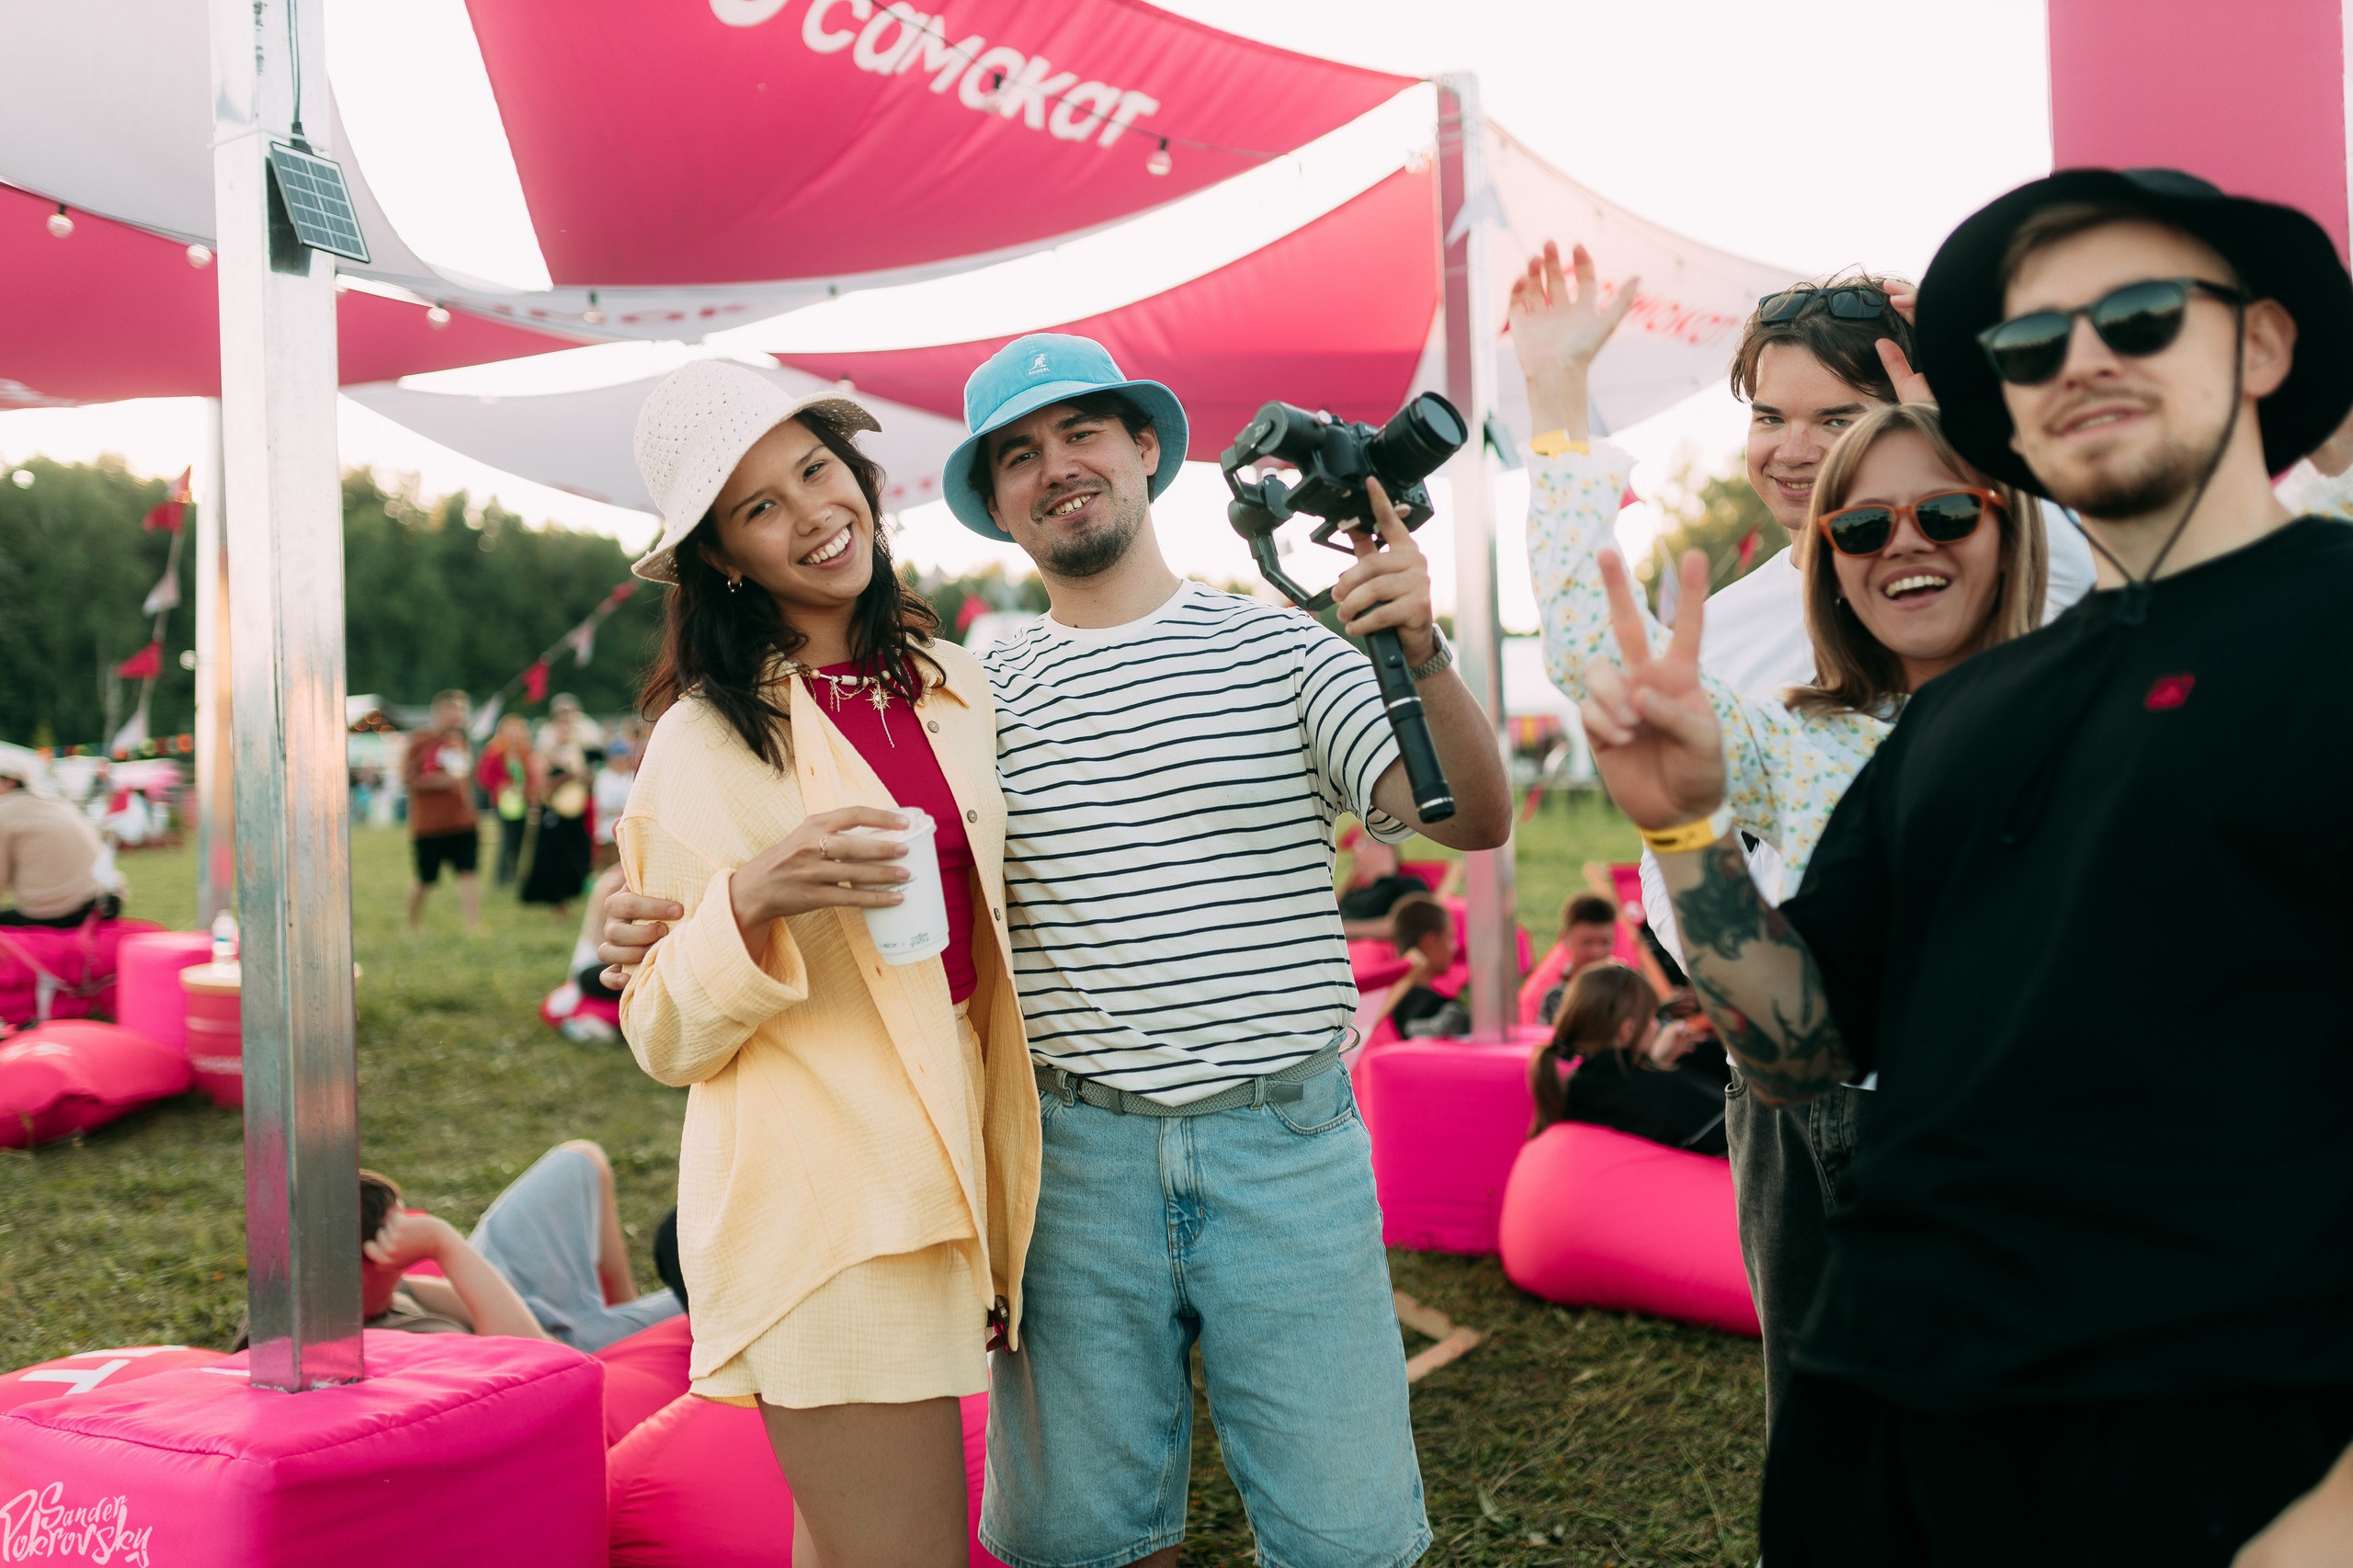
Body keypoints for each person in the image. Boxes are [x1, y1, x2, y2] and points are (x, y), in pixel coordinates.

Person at [604, 333, 1512, 1568]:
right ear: (992, 501)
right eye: (1019, 454)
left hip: (1268, 1142)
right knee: (1081, 1539)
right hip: (1051, 1163)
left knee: (1347, 1537)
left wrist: (1421, 651)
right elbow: (684, 949)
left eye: (1084, 432)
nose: (1058, 467)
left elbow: (1474, 818)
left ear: (1147, 448)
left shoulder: (1235, 657)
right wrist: (695, 911)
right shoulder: (953, 688)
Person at [1584, 169, 2353, 1564]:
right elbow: (1802, 1049)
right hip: (1920, 1446)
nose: (2082, 360)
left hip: (2243, 1464)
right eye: (2027, 342)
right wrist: (1686, 833)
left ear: (2262, 345)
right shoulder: (1968, 717)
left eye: (2136, 313)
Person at [1515, 243, 2063, 1427]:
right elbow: (1604, 676)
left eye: (1842, 415)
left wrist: (1957, 411)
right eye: (1769, 415)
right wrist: (1559, 416)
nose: (1799, 449)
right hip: (1797, 1084)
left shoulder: (2060, 632)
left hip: (2024, 1091)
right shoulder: (1760, 664)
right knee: (1832, 1427)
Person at [613, 361, 1039, 1568]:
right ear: (724, 558)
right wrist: (751, 899)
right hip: (823, 1203)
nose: (810, 513)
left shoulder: (955, 686)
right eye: (758, 506)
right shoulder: (705, 741)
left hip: (954, 1163)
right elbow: (661, 1032)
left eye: (816, 470)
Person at [236, 1141, 679, 1349]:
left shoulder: (342, 1299)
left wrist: (442, 1256)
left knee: (581, 1162)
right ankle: (629, 1342)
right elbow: (542, 1358)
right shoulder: (412, 1341)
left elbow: (476, 1301)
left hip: (514, 1309)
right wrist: (442, 1241)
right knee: (710, 1295)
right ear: (375, 1254)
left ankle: (622, 1311)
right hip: (559, 1347)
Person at [1526, 962, 1729, 1153]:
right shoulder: (1670, 1092)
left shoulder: (1571, 1089)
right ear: (1628, 1029)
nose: (1657, 1026)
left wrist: (1655, 1061)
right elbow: (1741, 1131)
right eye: (1652, 1017)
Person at [0, 746, 116, 927]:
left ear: (9, 782)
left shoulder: (4, 811)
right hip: (107, 902)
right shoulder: (56, 804)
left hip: (62, 911)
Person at [401, 690, 481, 935]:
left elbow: (462, 777)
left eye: (461, 711)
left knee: (468, 872)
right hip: (429, 824)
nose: (457, 716)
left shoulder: (459, 741)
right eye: (452, 710)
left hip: (462, 821)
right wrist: (438, 781)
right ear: (438, 712)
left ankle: (473, 926)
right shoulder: (420, 741)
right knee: (425, 878)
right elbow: (407, 778)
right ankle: (411, 925)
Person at [520, 696, 597, 913]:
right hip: (554, 813)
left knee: (579, 856)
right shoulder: (544, 753)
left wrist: (583, 777)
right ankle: (558, 903)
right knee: (556, 860)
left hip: (575, 813)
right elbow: (543, 786)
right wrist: (570, 776)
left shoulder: (578, 750)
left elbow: (588, 780)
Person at [1378, 892, 1468, 1039]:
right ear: (1430, 941)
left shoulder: (1382, 1000)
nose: (1455, 947)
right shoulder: (1433, 1008)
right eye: (1450, 938)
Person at [1521, 890, 1620, 1025]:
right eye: (1587, 942)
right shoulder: (1554, 995)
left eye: (1605, 942)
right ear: (1565, 938)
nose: (1596, 953)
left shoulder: (1626, 990)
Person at [1335, 829, 1441, 938]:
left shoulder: (1407, 884)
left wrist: (1342, 930)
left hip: (1365, 951)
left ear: (1387, 848)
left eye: (1362, 844)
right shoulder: (1353, 893)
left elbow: (1411, 924)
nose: (1354, 851)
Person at [476, 713, 540, 886]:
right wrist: (501, 786)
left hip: (522, 802)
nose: (514, 738)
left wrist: (530, 795)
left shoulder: (525, 755)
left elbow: (532, 778)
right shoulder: (495, 754)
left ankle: (513, 873)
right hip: (503, 803)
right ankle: (502, 877)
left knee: (519, 839)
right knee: (507, 839)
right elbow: (483, 777)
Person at [591, 724, 640, 873]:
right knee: (609, 867)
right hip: (606, 830)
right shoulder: (603, 778)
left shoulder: (631, 777)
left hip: (628, 829)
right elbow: (604, 804)